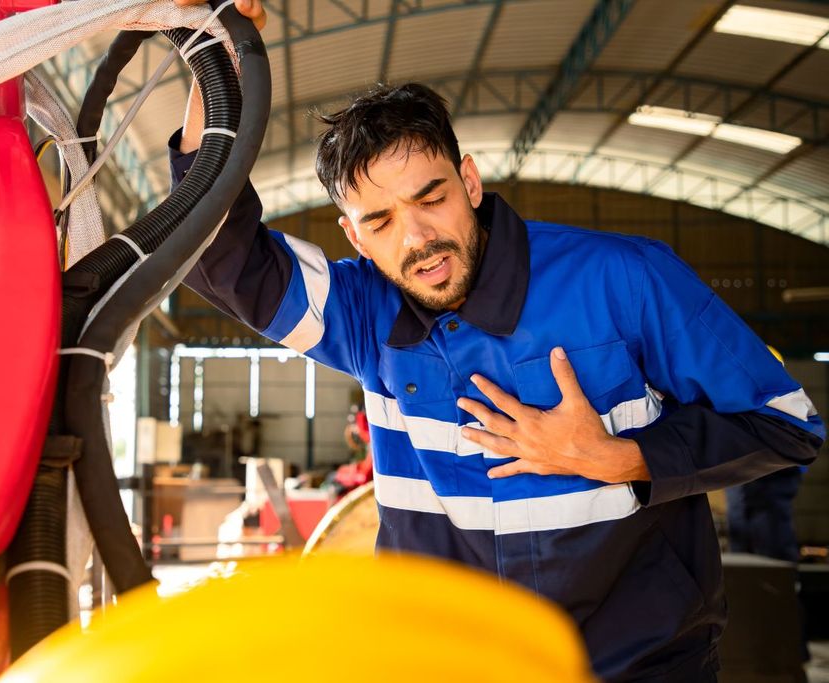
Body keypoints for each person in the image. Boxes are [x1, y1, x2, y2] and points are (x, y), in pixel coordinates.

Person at [174, 3, 824, 679]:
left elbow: (787, 425)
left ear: (471, 182)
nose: (418, 238)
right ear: (355, 236)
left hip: (637, 662)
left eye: (432, 197)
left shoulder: (623, 279)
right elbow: (221, 250)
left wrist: (620, 456)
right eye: (383, 220)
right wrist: (213, 58)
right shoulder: (363, 311)